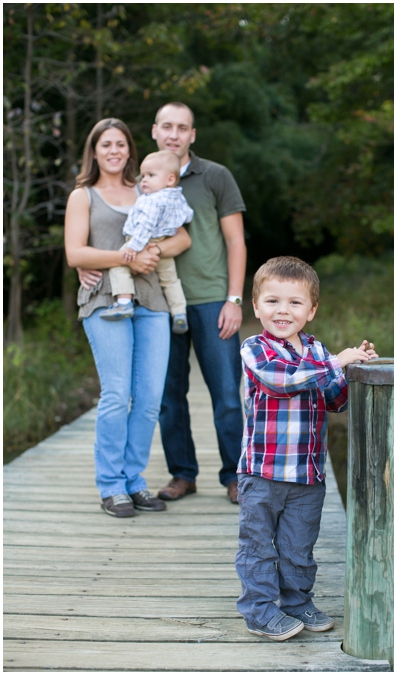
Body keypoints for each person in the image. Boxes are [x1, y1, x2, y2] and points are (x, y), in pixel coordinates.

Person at [235, 256, 377, 641]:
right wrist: (336, 362)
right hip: (262, 473)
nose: (283, 310)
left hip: (307, 473)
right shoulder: (256, 348)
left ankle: (297, 602)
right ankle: (260, 611)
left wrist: (354, 370)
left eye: (295, 303)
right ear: (256, 306)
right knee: (259, 547)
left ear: (311, 310)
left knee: (299, 546)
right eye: (273, 301)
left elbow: (336, 401)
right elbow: (282, 381)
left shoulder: (317, 350)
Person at [64, 118, 191, 518]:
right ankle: (111, 486)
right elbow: (76, 254)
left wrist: (154, 251)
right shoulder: (83, 196)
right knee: (117, 394)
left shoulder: (148, 187)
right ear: (95, 151)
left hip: (152, 300)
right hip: (105, 300)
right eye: (106, 145)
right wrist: (124, 257)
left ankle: (134, 482)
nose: (114, 150)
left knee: (150, 398)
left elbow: (184, 237)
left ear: (130, 151)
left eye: (121, 144)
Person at [152, 101, 249, 504]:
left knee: (227, 394)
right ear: (155, 130)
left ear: (193, 135)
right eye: (167, 126)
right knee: (167, 396)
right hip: (158, 304)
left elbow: (235, 241)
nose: (174, 134)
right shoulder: (144, 176)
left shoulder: (215, 176)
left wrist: (234, 299)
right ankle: (182, 474)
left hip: (212, 301)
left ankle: (234, 475)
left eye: (182, 127)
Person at [99, 150, 193, 334]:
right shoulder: (177, 196)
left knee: (119, 265)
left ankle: (124, 302)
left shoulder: (151, 200)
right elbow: (187, 215)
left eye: (151, 175)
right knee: (170, 280)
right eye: (142, 176)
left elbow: (145, 226)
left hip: (142, 242)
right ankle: (180, 313)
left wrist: (133, 247)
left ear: (170, 179)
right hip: (163, 245)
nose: (143, 180)